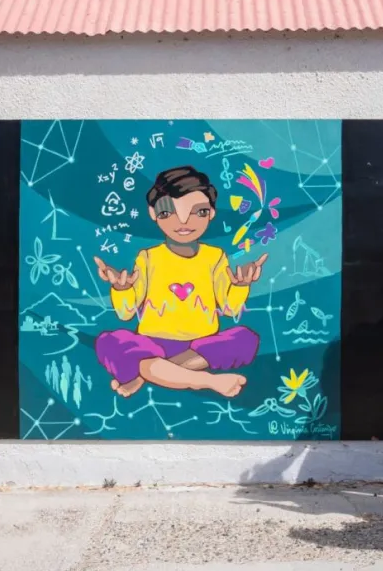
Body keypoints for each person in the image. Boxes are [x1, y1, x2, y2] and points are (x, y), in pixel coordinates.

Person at [93, 166, 266, 399]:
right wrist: (121, 289)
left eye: (199, 212)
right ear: (153, 214)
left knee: (245, 339)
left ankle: (144, 374)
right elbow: (126, 314)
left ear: (212, 213)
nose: (183, 222)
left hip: (201, 345)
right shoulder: (148, 257)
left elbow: (229, 308)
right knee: (110, 343)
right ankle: (204, 381)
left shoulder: (215, 257)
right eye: (168, 213)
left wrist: (240, 286)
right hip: (152, 343)